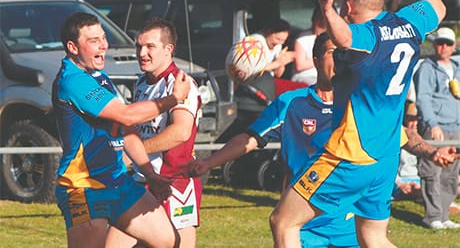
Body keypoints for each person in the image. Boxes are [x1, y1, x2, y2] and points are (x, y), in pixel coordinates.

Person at [181, 33, 458, 247]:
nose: (340, 60)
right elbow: (249, 138)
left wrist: (431, 153)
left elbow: (401, 136)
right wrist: (209, 162)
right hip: (304, 225)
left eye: (344, 54)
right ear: (315, 60)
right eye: (332, 53)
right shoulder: (291, 103)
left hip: (349, 226)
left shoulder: (359, 105)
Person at [269, 0, 447, 247]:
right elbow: (438, 7)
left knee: (283, 222)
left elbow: (344, 38)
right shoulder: (407, 24)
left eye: (342, 7)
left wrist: (327, 9)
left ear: (348, 7)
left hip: (350, 153)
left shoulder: (368, 35)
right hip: (386, 156)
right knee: (372, 237)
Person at [52, 12, 190, 247]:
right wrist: (173, 99)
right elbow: (126, 114)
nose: (103, 45)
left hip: (117, 182)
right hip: (84, 187)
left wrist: (150, 174)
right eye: (94, 40)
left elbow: (125, 128)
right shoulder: (72, 80)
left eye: (103, 37)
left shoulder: (100, 77)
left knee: (168, 240)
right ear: (73, 47)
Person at [107, 17, 203, 248]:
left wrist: (133, 154)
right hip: (141, 181)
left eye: (150, 46)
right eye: (139, 46)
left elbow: (180, 132)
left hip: (173, 184)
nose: (142, 53)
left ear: (168, 49)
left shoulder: (181, 83)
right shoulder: (141, 83)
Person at [413, 26, 460, 229]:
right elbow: (423, 98)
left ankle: (444, 214)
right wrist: (432, 124)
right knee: (432, 172)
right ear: (434, 45)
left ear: (454, 46)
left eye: (448, 43)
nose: (443, 47)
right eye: (440, 42)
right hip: (436, 127)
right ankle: (432, 216)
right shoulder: (426, 67)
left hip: (456, 125)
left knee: (451, 173)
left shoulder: (457, 67)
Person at [291, 6, 327, 85]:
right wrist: (323, 60)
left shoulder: (332, 38)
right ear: (314, 20)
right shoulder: (302, 38)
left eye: (324, 19)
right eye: (319, 18)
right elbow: (300, 65)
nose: (322, 22)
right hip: (304, 77)